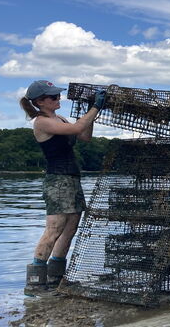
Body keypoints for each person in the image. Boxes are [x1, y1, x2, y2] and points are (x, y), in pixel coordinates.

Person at [19, 81, 106, 291]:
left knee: (70, 229)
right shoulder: (41, 122)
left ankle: (55, 279)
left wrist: (89, 111)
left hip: (72, 178)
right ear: (40, 102)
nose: (58, 99)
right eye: (53, 97)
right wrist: (96, 106)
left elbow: (84, 135)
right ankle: (35, 284)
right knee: (54, 229)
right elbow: (77, 127)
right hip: (57, 180)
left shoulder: (60, 119)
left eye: (58, 96)